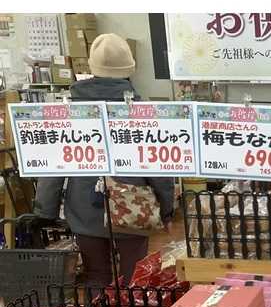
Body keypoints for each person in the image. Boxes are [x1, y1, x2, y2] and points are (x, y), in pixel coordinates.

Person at [34, 33, 175, 287]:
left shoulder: (68, 112)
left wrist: (46, 211)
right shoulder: (142, 113)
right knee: (134, 278)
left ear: (92, 66)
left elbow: (53, 168)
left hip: (84, 207)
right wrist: (166, 210)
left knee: (95, 276)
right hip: (134, 206)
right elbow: (159, 169)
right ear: (130, 68)